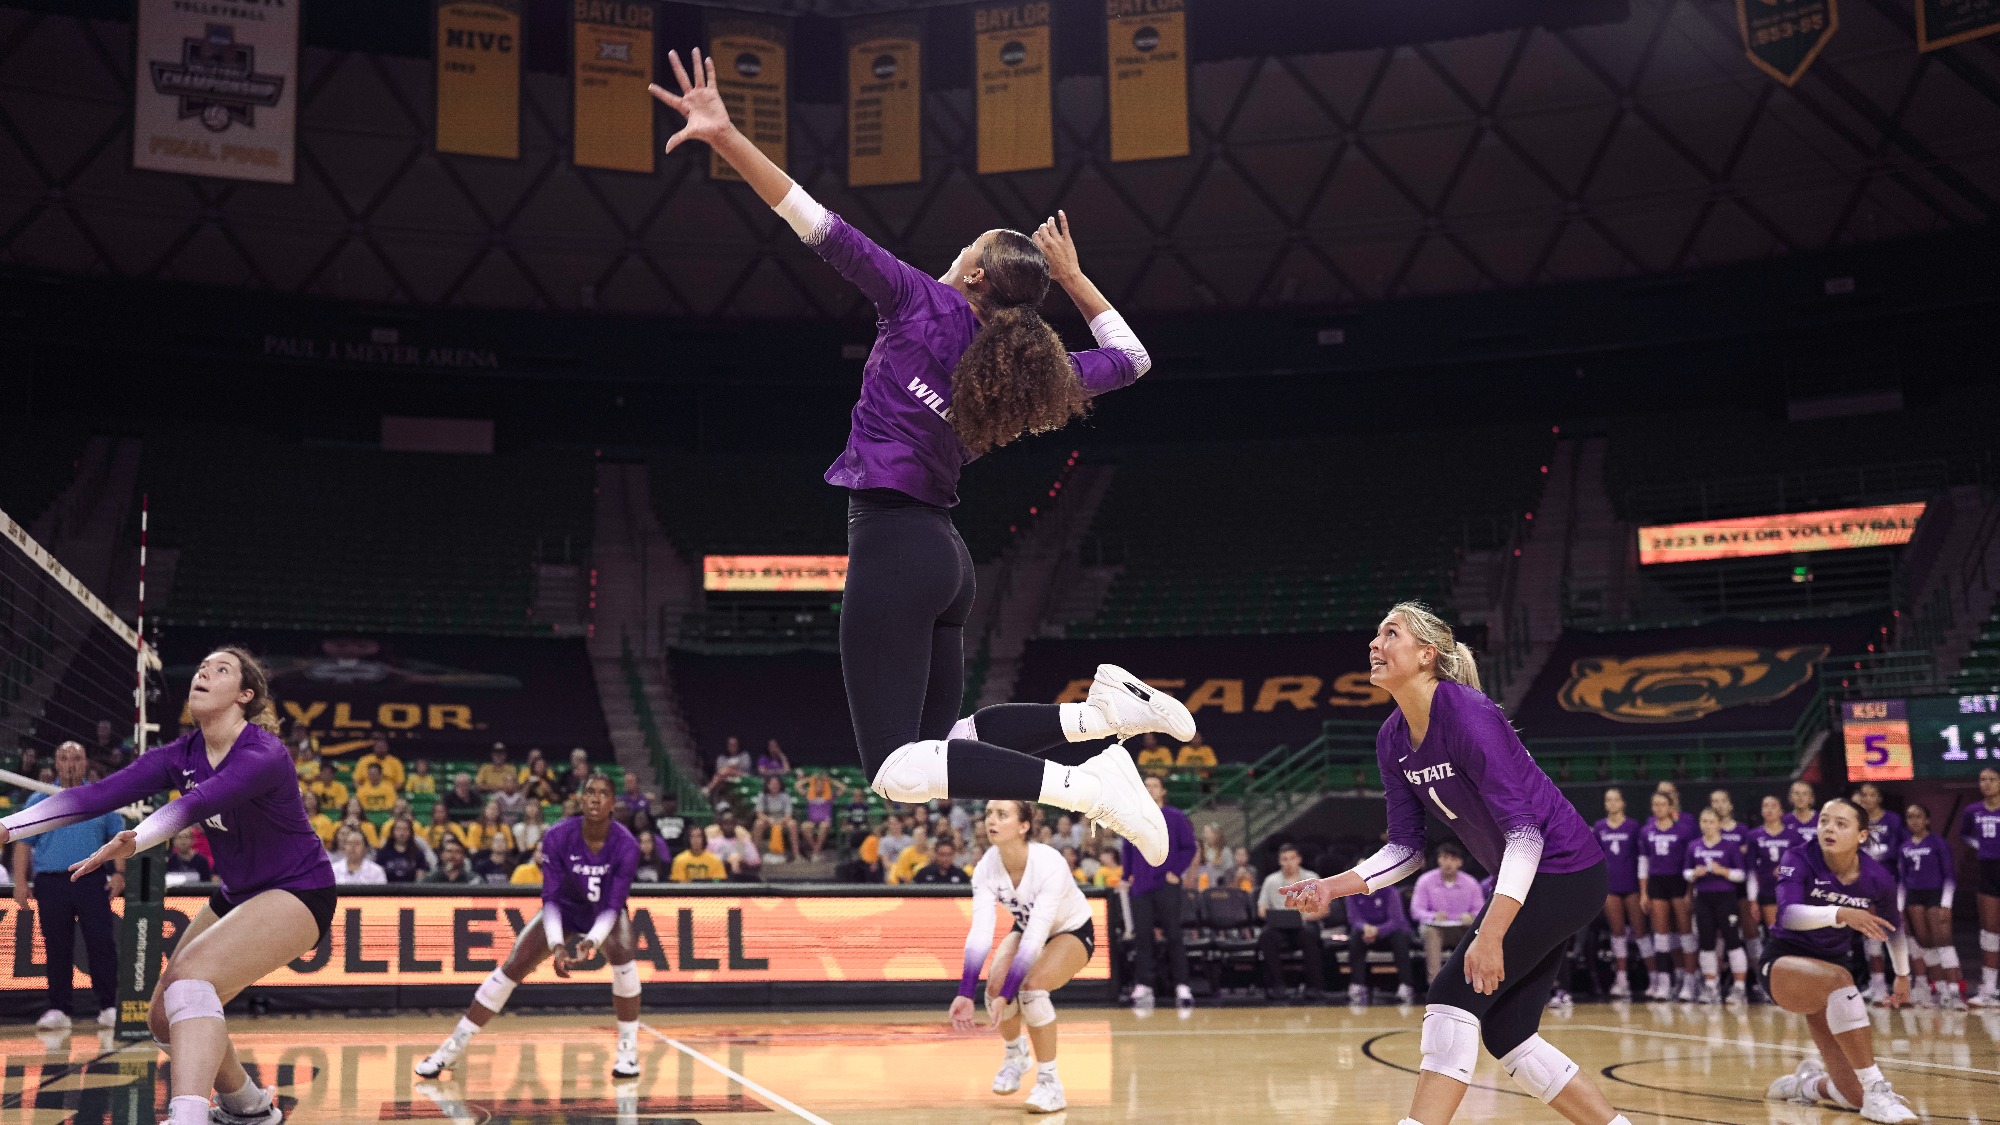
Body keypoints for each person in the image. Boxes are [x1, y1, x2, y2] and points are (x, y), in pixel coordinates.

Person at [648, 53, 1187, 866]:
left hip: (898, 546)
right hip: (946, 558)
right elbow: (1135, 357)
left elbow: (809, 216)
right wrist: (1074, 280)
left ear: (971, 272)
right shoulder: (1034, 371)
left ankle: (1089, 783)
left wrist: (725, 135)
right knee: (950, 743)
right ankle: (1097, 714)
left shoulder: (914, 299)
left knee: (899, 770)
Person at [1282, 603, 1625, 1125]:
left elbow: (1526, 836)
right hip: (1529, 880)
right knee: (1509, 1033)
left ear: (1427, 654)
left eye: (1389, 633)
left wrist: (1490, 934)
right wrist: (1333, 887)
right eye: (1375, 634)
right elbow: (1405, 849)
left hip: (1565, 872)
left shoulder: (1468, 713)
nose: (1374, 644)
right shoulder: (1391, 738)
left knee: (1451, 992)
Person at [0, 647, 337, 1125]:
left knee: (191, 982)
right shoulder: (181, 754)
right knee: (162, 1016)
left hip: (300, 889)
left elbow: (196, 805)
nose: (203, 672)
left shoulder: (263, 752)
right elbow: (96, 794)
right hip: (239, 894)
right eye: (200, 666)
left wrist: (135, 840)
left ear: (244, 695)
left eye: (221, 670)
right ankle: (249, 1108)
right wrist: (9, 829)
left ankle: (188, 1116)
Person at [417, 772, 645, 1080]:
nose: (595, 798)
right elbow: (550, 898)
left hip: (602, 911)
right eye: (589, 791)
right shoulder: (557, 835)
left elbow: (614, 905)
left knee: (625, 960)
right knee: (511, 968)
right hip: (563, 908)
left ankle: (628, 1053)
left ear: (612, 803)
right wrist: (557, 945)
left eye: (603, 793)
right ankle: (451, 1049)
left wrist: (591, 941)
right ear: (580, 798)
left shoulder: (627, 844)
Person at [1760, 797, 1918, 1123]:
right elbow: (1788, 915)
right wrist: (1841, 913)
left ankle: (1807, 1085)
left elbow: (1894, 929)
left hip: (1830, 976)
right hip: (1783, 964)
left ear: (1861, 836)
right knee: (1839, 980)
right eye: (1824, 821)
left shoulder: (1878, 878)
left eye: (1841, 824)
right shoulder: (1798, 857)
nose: (1829, 828)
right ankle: (1877, 1089)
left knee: (1851, 1098)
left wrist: (1902, 975)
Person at [949, 800, 1095, 1114]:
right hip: (1027, 927)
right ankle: (1016, 1054)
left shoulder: (1049, 863)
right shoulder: (987, 866)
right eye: (989, 814)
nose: (992, 820)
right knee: (992, 990)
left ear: (1024, 826)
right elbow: (980, 933)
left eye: (1002, 815)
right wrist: (964, 992)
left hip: (1070, 930)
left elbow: (1036, 937)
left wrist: (1009, 992)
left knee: (1030, 990)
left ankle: (1050, 1083)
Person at [9, 740, 127, 1030]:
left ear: (86, 762)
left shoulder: (101, 797)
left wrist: (120, 873)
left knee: (101, 944)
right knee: (56, 946)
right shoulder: (39, 801)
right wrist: (20, 883)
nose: (70, 763)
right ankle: (58, 1008)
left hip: (91, 880)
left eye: (76, 757)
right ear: (56, 764)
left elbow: (120, 839)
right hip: (51, 882)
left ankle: (108, 1005)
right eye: (64, 758)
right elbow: (23, 844)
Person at [1119, 774, 1197, 1012]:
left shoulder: (1176, 817)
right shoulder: (1134, 818)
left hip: (1166, 884)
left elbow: (1190, 847)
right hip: (1141, 886)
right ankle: (1144, 983)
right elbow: (1127, 848)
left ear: (1163, 791)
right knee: (1143, 937)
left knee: (1174, 935)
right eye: (1145, 786)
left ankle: (1182, 985)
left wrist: (1176, 871)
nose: (1149, 789)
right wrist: (1126, 876)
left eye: (1154, 785)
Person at [1898, 802, 1962, 1009]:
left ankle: (1955, 992)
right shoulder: (1905, 846)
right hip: (1914, 897)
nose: (1914, 820)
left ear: (1927, 820)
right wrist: (1900, 907)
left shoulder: (1938, 843)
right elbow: (1902, 880)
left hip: (1936, 895)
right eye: (1909, 817)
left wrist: (1946, 904)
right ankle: (1942, 989)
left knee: (1944, 943)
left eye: (1918, 816)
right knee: (1926, 944)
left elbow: (1949, 875)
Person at [1639, 790, 1698, 1001]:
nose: (1658, 808)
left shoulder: (1683, 830)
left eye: (1662, 804)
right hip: (1657, 882)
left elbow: (1691, 860)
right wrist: (1644, 892)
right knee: (1661, 935)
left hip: (1678, 881)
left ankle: (1691, 982)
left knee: (1685, 933)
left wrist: (1690, 890)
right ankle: (1665, 982)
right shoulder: (1647, 831)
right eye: (1655, 804)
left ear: (1671, 807)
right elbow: (1644, 861)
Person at [1685, 806, 1748, 1003]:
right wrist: (1695, 873)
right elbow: (1685, 873)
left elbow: (1741, 874)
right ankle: (1710, 986)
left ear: (1719, 824)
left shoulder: (1729, 847)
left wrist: (1724, 872)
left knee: (1732, 940)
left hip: (1725, 898)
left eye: (1711, 821)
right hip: (1703, 898)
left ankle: (1739, 987)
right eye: (1704, 821)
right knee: (1706, 942)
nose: (1707, 825)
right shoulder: (1694, 846)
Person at [1849, 781, 1905, 1003]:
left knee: (1895, 934)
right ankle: (1878, 985)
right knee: (1870, 935)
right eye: (1864, 795)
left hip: (1889, 882)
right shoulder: (1856, 821)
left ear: (1879, 798)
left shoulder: (1892, 819)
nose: (1868, 798)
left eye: (1872, 794)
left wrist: (1872, 854)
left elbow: (1896, 849)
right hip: (1863, 884)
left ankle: (1905, 983)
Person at [1253, 842, 1327, 1002]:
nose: (1288, 862)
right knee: (1266, 936)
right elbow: (1261, 909)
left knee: (1309, 935)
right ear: (1280, 861)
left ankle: (1313, 987)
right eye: (1284, 859)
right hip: (1279, 927)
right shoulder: (1271, 881)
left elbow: (1324, 909)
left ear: (1299, 859)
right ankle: (1277, 986)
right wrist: (1271, 916)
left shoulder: (1312, 878)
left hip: (1305, 924)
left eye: (1292, 858)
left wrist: (1304, 917)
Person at [1592, 787, 1645, 999]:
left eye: (1616, 799)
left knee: (1640, 932)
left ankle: (1656, 978)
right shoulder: (1600, 827)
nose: (1612, 803)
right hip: (1611, 887)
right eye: (1608, 800)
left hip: (1631, 886)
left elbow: (1641, 857)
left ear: (1623, 803)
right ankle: (1621, 979)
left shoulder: (1633, 827)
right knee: (1618, 932)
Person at [1708, 788, 1761, 996]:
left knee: (1750, 933)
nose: (1718, 805)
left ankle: (1760, 979)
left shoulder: (1742, 831)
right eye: (1714, 801)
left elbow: (1748, 866)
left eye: (1722, 801)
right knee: (1719, 936)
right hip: (1716, 891)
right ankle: (1716, 984)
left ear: (1730, 805)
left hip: (1740, 889)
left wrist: (1751, 895)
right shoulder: (1706, 830)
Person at [1410, 842, 1484, 985]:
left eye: (1453, 859)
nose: (1448, 863)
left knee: (1476, 930)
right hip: (1437, 928)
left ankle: (1469, 982)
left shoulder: (1471, 883)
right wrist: (1432, 916)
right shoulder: (1425, 881)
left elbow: (1481, 910)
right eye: (1444, 858)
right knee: (1430, 931)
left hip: (1461, 928)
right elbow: (1416, 910)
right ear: (1439, 860)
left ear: (1460, 862)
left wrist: (1472, 916)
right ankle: (1435, 983)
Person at [1959, 765, 2000, 1006]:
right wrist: (1981, 847)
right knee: (1989, 933)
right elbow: (1964, 835)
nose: (1986, 784)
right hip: (1987, 872)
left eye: (1992, 779)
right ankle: (1988, 990)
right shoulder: (1972, 810)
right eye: (1982, 779)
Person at [1345, 878, 1416, 1006]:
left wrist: (1378, 930)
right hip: (1366, 933)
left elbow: (1396, 920)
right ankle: (1357, 985)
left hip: (1390, 933)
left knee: (1399, 938)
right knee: (1355, 936)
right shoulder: (1351, 893)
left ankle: (1406, 986)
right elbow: (1353, 919)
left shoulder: (1390, 891)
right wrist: (1365, 928)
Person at [1746, 794, 1791, 979]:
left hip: (1790, 893)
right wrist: (1753, 901)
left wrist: (1785, 870)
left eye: (1774, 806)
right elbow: (1751, 871)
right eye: (1765, 806)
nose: (1769, 809)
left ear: (1781, 811)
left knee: (1790, 934)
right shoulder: (1754, 835)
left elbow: (1802, 866)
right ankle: (1771, 979)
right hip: (1766, 892)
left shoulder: (1793, 835)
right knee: (1774, 935)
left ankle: (1791, 977)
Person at [751, 775, 799, 862]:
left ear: (780, 785)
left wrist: (782, 820)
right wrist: (769, 819)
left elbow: (789, 814)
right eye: (772, 784)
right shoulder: (762, 796)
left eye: (776, 784)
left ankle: (796, 854)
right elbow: (759, 813)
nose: (774, 786)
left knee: (793, 824)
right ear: (768, 785)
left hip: (782, 820)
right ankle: (753, 854)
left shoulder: (785, 796)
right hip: (767, 820)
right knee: (758, 823)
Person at [706, 811, 761, 881]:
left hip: (742, 876)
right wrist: (727, 863)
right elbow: (707, 861)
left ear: (735, 825)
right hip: (720, 877)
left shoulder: (742, 843)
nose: (728, 826)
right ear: (720, 826)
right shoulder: (714, 843)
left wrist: (741, 863)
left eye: (731, 823)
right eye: (725, 824)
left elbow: (756, 862)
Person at [798, 771, 839, 862]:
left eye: (821, 785)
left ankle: (815, 852)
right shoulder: (809, 795)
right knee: (804, 826)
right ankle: (816, 852)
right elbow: (798, 786)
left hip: (824, 821)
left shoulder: (829, 796)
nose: (819, 787)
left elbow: (843, 788)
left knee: (824, 826)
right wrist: (810, 779)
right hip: (812, 821)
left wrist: (830, 780)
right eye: (817, 785)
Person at [376, 818, 430, 884]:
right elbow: (380, 877)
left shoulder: (418, 853)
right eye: (398, 829)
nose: (402, 833)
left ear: (410, 832)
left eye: (405, 829)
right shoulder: (383, 853)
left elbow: (420, 878)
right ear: (393, 832)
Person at [1784, 780, 1819, 844]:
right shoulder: (1784, 821)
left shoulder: (1820, 820)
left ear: (1811, 798)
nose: (1800, 797)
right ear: (1790, 797)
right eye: (1796, 793)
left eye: (1804, 794)